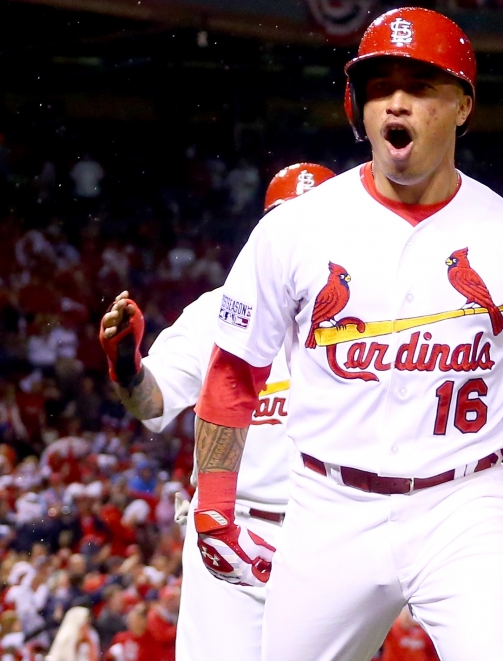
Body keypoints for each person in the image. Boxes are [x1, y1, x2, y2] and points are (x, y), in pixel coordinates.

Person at [190, 7, 503, 661]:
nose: (395, 103)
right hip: (326, 505)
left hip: (465, 506)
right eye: (380, 87)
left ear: (463, 105)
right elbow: (234, 373)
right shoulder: (295, 229)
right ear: (359, 105)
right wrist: (214, 505)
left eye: (419, 86)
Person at [98, 162, 336, 661]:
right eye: (287, 222)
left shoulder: (371, 318)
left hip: (333, 535)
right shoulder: (218, 310)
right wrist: (126, 363)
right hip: (234, 528)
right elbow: (151, 403)